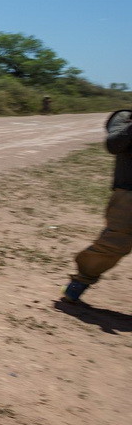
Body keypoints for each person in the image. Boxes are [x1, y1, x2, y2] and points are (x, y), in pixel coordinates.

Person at [62, 109, 132, 304]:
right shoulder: (124, 117)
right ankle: (81, 281)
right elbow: (113, 144)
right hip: (128, 195)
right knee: (114, 243)